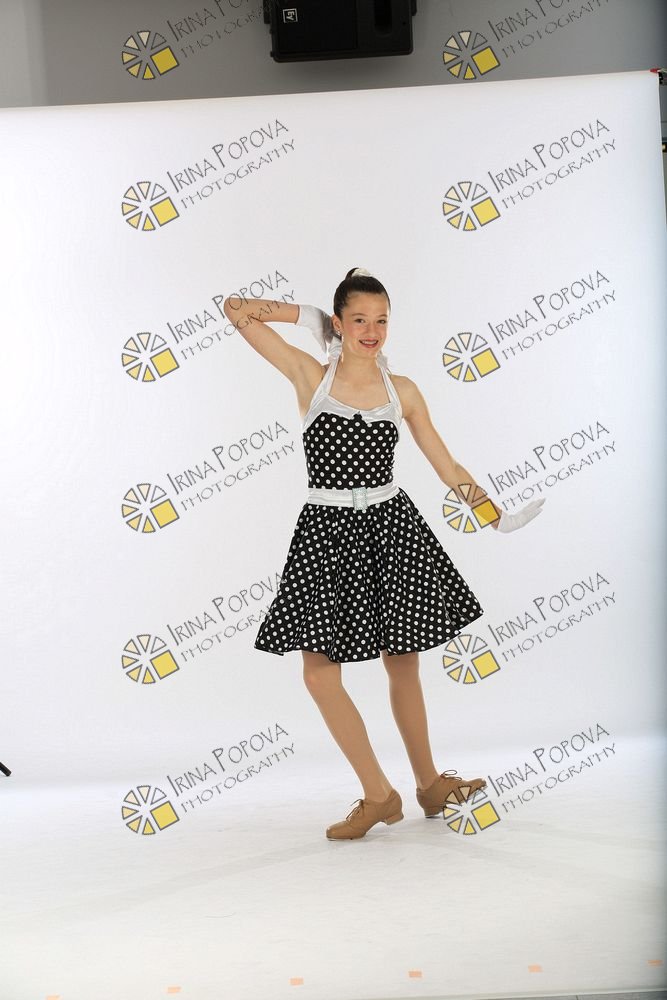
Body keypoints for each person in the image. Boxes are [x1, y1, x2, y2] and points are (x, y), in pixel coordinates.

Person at [222, 268, 544, 841]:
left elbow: (447, 465)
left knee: (404, 662)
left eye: (381, 321)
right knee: (319, 674)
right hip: (326, 534)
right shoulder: (309, 375)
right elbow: (236, 308)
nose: (371, 331)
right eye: (359, 320)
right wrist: (308, 316)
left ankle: (430, 785)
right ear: (339, 322)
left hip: (391, 529)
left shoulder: (404, 391)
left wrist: (494, 515)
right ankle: (378, 793)